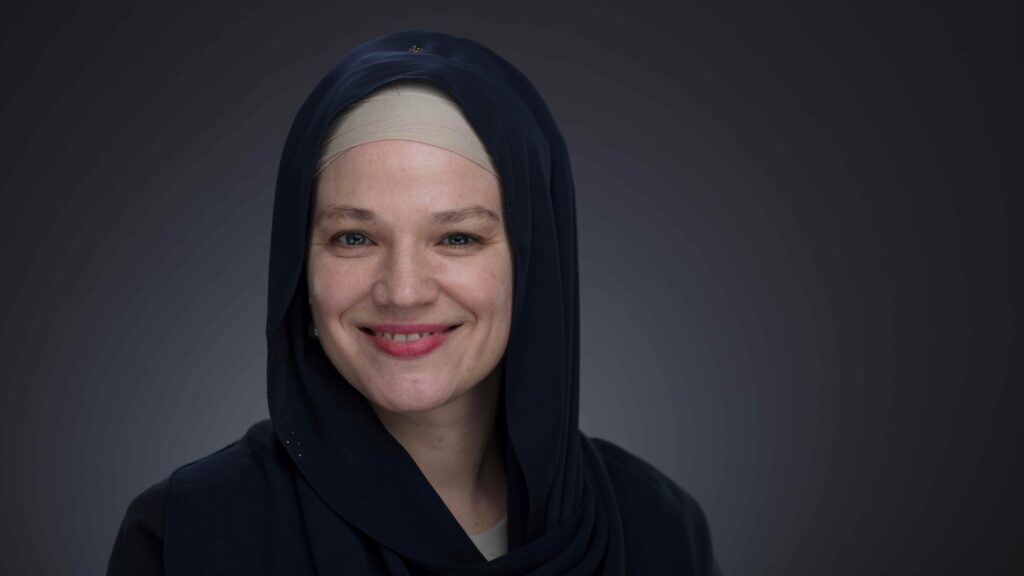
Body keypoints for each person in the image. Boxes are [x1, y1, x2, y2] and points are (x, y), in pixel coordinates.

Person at [107, 29, 722, 575]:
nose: (403, 291)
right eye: (355, 237)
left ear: (532, 267)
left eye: (457, 238)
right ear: (299, 265)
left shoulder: (657, 527)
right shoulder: (186, 535)